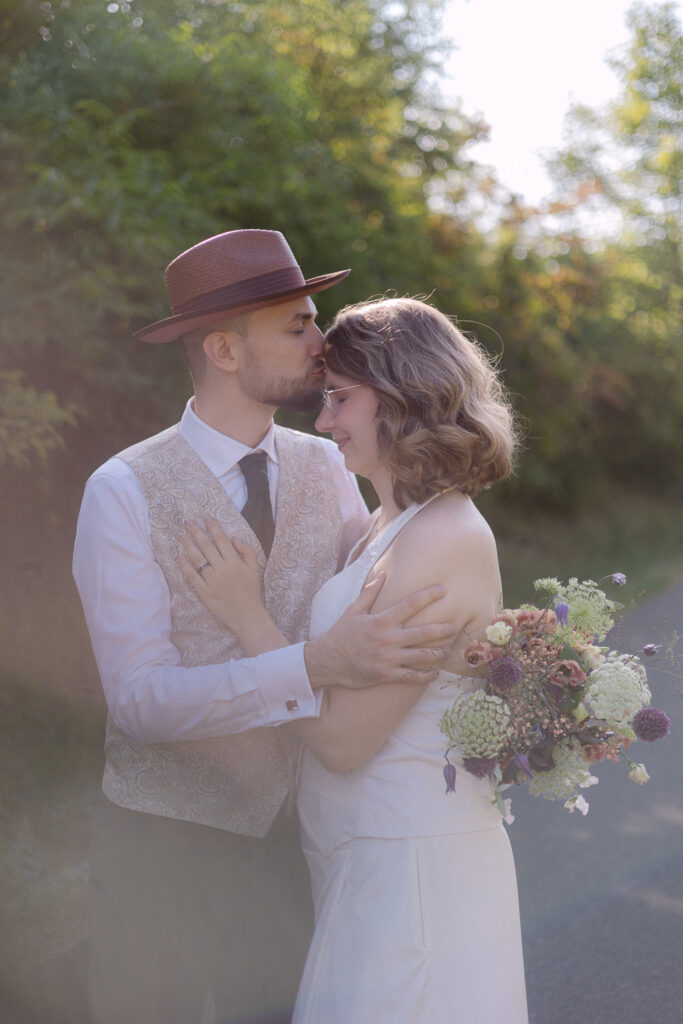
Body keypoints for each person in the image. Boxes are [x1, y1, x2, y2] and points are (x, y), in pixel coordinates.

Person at [72, 232, 458, 1024]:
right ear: (223, 350)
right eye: (298, 326)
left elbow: (374, 592)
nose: (323, 344)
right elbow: (140, 703)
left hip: (295, 840)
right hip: (161, 851)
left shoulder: (329, 464)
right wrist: (311, 665)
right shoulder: (121, 490)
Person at [179, 296, 529, 1023]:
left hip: (412, 873)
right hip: (364, 858)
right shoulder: (386, 523)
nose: (323, 420)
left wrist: (246, 617)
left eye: (340, 397)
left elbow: (343, 742)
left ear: (403, 394)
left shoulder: (444, 538)